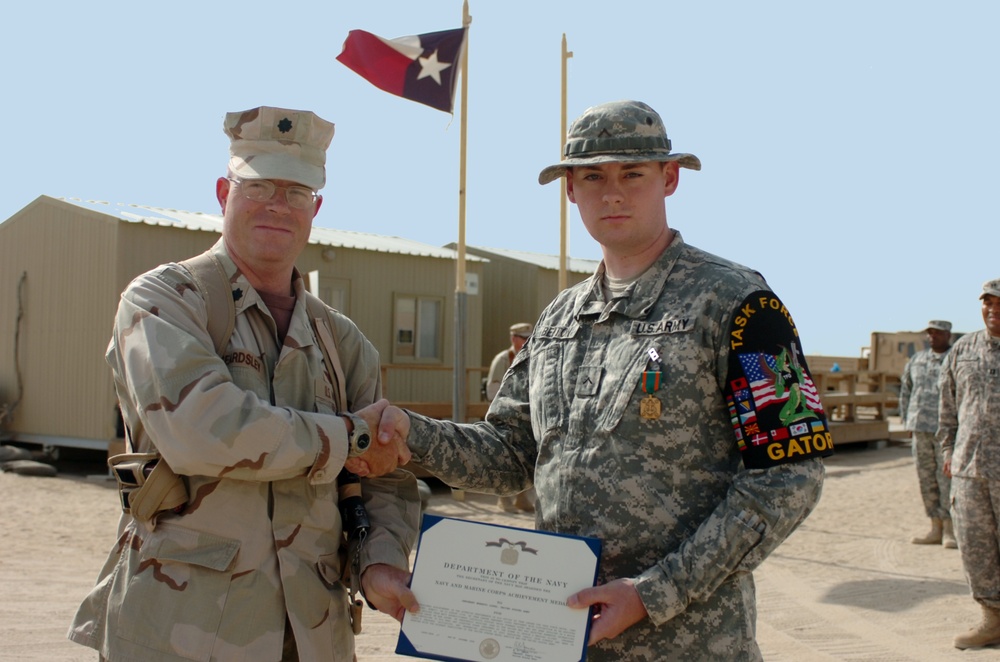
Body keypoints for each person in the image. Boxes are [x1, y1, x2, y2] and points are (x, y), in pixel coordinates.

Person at [380, 100, 833, 659]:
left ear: (669, 178)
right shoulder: (557, 319)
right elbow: (508, 455)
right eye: (593, 175)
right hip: (558, 637)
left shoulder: (739, 303)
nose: (612, 192)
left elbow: (790, 474)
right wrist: (409, 433)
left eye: (632, 174)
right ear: (570, 189)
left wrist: (653, 593)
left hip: (689, 644)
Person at [68, 106, 418, 661]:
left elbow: (385, 477)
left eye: (297, 191)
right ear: (221, 192)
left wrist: (380, 560)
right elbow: (201, 429)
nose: (278, 204)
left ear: (316, 208)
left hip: (313, 636)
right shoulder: (165, 301)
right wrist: (347, 437)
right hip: (181, 632)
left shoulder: (343, 342)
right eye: (257, 185)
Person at [939, 278, 1000, 650]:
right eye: (987, 303)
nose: (993, 309)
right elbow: (947, 410)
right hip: (969, 470)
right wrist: (948, 452)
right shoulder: (963, 350)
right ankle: (992, 619)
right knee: (976, 549)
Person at [899, 320, 955, 547]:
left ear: (948, 334)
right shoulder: (917, 360)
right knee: (926, 478)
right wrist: (907, 421)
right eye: (930, 333)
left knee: (947, 480)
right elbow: (906, 390)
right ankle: (935, 527)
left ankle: (950, 529)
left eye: (938, 333)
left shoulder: (955, 358)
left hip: (946, 432)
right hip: (920, 428)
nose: (933, 337)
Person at [485, 322, 536, 512]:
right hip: (504, 416)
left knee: (526, 458)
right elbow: (492, 391)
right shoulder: (503, 360)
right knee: (504, 458)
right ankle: (504, 500)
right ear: (514, 339)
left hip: (526, 415)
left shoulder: (532, 357)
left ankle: (522, 499)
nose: (527, 343)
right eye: (524, 339)